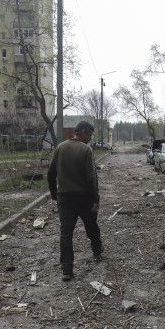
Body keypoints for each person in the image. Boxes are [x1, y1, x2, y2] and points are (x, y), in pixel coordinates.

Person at [47, 120, 103, 281]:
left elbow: (51, 173)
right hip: (84, 198)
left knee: (66, 233)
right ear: (83, 133)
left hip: (65, 198)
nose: (90, 138)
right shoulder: (86, 150)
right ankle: (97, 250)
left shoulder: (60, 147)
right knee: (91, 226)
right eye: (90, 135)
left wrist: (53, 193)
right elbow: (91, 177)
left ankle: (67, 270)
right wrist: (96, 199)